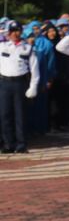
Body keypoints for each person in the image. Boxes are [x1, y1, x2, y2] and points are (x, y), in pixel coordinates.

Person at [0, 22, 40, 153]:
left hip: (20, 83)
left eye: (17, 31)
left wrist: (33, 86)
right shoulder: (2, 46)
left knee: (20, 114)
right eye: (12, 31)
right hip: (4, 83)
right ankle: (8, 144)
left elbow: (35, 69)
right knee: (5, 114)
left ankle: (21, 144)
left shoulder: (27, 48)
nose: (14, 34)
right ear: (8, 32)